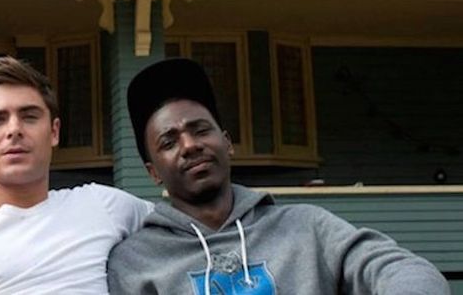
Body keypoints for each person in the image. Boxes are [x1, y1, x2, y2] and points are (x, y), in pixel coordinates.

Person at [108, 57, 450, 295]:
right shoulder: (135, 262)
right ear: (153, 172)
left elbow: (402, 270)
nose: (190, 145)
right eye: (169, 142)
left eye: (200, 130)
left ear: (227, 143)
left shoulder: (308, 227)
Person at [0, 56, 154, 295]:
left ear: (54, 132)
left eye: (29, 117)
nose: (14, 129)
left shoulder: (104, 205)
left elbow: (178, 226)